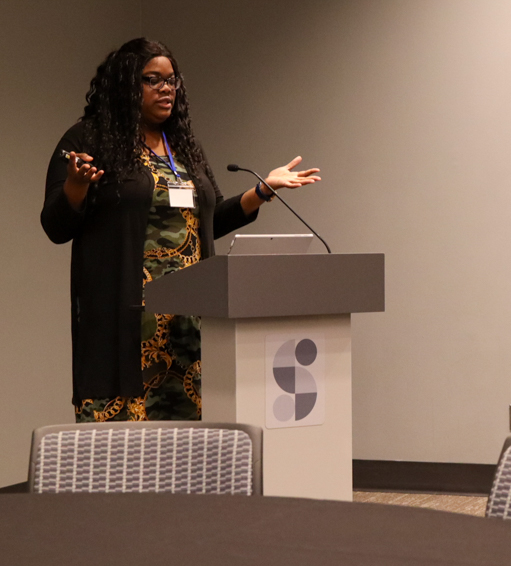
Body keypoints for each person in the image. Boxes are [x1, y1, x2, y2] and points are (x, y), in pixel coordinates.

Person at [42, 38, 321, 422]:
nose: (166, 89)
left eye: (172, 80)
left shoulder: (183, 147)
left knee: (186, 443)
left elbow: (209, 223)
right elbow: (55, 226)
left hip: (189, 324)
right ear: (125, 84)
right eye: (152, 80)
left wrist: (261, 192)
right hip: (126, 323)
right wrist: (76, 185)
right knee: (124, 450)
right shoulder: (88, 139)